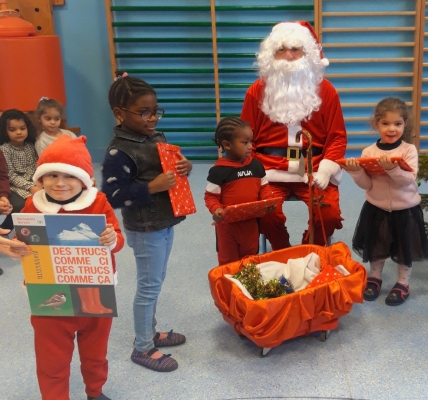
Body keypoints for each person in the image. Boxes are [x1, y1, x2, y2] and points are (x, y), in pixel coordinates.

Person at [101, 71, 192, 372]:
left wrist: (184, 166)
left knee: (157, 280)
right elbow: (112, 195)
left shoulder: (155, 137)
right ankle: (142, 347)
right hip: (144, 228)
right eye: (144, 112)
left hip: (164, 220)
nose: (152, 118)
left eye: (155, 111)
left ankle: (149, 333)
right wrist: (153, 187)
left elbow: (170, 170)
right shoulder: (118, 151)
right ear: (119, 113)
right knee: (148, 286)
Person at [22, 135, 124, 400]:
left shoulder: (98, 202)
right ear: (40, 178)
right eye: (51, 175)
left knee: (95, 354)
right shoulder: (33, 205)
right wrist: (15, 245)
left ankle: (95, 392)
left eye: (69, 175)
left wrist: (112, 239)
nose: (60, 183)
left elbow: (119, 239)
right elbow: (19, 240)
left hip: (95, 294)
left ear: (84, 178)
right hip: (48, 298)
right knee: (51, 361)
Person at [240, 21, 347, 249]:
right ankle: (282, 253)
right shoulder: (256, 91)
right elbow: (244, 138)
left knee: (328, 214)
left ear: (307, 54)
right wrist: (252, 172)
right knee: (264, 213)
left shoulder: (326, 90)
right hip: (269, 169)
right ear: (271, 55)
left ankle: (309, 251)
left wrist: (327, 170)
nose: (288, 56)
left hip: (313, 168)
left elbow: (337, 137)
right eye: (281, 49)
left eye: (295, 49)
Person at [343, 98, 428, 306]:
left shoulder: (408, 150)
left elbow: (407, 180)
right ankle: (375, 278)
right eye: (385, 124)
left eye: (397, 124)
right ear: (377, 124)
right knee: (377, 246)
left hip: (405, 209)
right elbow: (367, 185)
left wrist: (392, 169)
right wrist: (356, 172)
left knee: (404, 248)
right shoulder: (369, 152)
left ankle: (402, 283)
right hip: (377, 208)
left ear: (404, 125)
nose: (392, 129)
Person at [204, 117, 273, 265]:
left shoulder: (256, 166)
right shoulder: (218, 171)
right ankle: (229, 287)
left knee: (250, 260)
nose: (250, 147)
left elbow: (264, 187)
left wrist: (268, 201)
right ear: (227, 145)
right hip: (227, 228)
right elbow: (210, 197)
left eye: (251, 142)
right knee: (228, 262)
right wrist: (216, 209)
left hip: (250, 224)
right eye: (245, 142)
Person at [0, 109, 41, 233]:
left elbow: (35, 166)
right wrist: (30, 187)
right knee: (21, 204)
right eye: (12, 130)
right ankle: (6, 228)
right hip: (14, 185)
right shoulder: (5, 149)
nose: (19, 132)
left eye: (22, 128)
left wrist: (37, 183)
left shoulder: (30, 146)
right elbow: (9, 175)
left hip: (31, 182)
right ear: (5, 131)